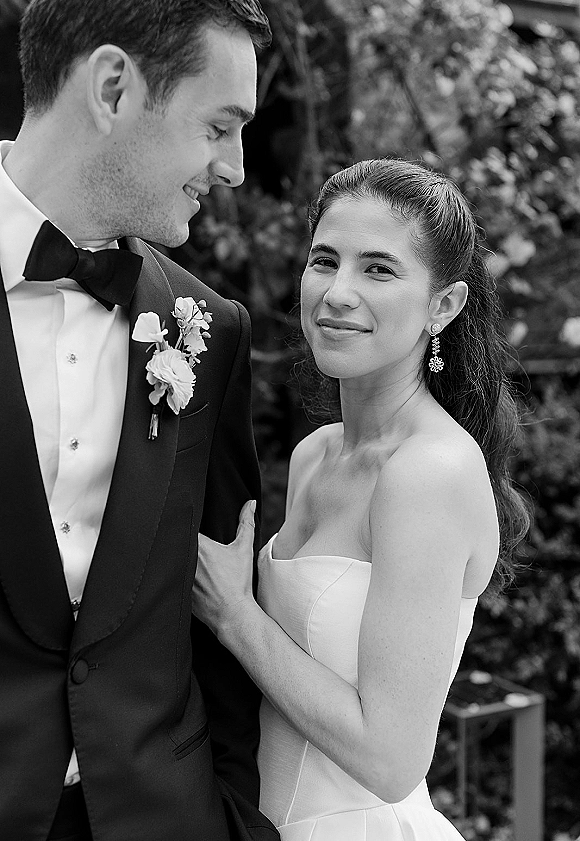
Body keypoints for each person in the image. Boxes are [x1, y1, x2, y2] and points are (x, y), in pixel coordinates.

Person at [0, 0, 279, 840]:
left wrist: (232, 818)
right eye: (220, 126)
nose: (234, 168)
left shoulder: (209, 328)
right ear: (115, 87)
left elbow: (219, 604)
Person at [192, 158, 530, 840]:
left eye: (378, 269)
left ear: (445, 305)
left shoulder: (429, 472)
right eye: (325, 260)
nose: (337, 292)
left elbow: (391, 757)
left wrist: (235, 616)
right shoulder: (318, 453)